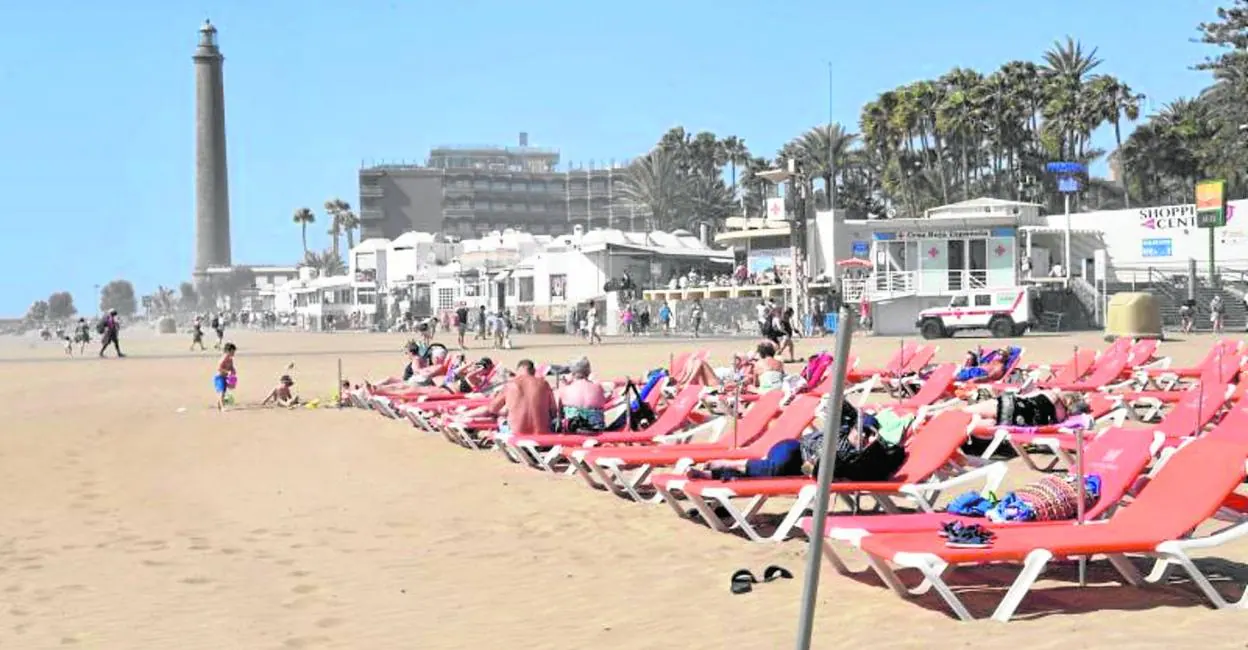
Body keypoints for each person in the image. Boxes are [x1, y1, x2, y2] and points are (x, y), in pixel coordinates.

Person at [462, 359, 558, 434]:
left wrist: (508, 410)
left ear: (518, 370)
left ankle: (466, 419)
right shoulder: (544, 384)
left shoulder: (510, 384)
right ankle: (466, 419)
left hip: (517, 433)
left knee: (498, 419)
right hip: (542, 432)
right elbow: (553, 411)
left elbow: (492, 409)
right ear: (533, 371)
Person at [557, 357, 607, 432]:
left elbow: (557, 410)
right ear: (589, 371)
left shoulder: (564, 389)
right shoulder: (598, 387)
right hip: (597, 430)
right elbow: (602, 403)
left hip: (573, 431)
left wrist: (564, 384)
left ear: (572, 372)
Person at [215, 342, 238, 411]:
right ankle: (222, 407)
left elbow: (231, 367)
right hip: (219, 377)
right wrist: (227, 372)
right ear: (228, 351)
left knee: (224, 392)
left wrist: (233, 370)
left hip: (226, 377)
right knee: (221, 391)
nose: (234, 353)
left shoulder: (230, 359)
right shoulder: (223, 359)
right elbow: (219, 368)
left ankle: (219, 404)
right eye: (233, 351)